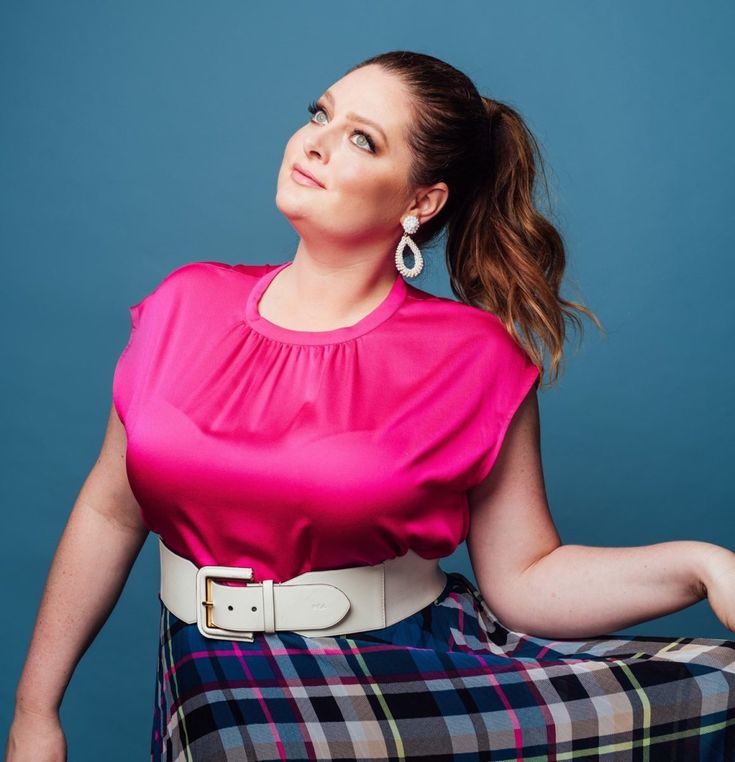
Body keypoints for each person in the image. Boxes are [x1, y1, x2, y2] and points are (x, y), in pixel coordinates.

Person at [6, 49, 735, 762]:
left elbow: (524, 579)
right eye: (319, 113)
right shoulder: (181, 304)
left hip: (399, 689)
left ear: (422, 202)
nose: (315, 142)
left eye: (361, 138)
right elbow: (110, 508)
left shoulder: (473, 356)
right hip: (213, 690)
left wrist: (700, 566)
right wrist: (33, 713)